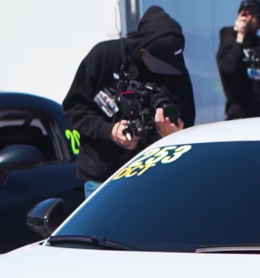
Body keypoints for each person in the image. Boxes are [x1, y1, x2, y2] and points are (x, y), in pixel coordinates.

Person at [63, 6, 196, 195]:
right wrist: (109, 131)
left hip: (152, 176)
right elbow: (73, 107)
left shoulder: (177, 73)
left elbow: (187, 121)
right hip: (102, 179)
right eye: (159, 63)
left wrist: (172, 136)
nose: (163, 70)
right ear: (142, 48)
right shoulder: (104, 57)